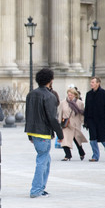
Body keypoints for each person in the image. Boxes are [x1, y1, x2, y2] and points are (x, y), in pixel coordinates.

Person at [25, 68, 64, 198]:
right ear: (50, 80)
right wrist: (60, 135)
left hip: (34, 132)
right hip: (43, 133)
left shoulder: (31, 94)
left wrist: (30, 134)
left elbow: (28, 115)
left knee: (46, 159)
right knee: (42, 160)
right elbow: (52, 118)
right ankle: (36, 190)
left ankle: (41, 188)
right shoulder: (49, 96)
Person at [84, 77, 105, 162]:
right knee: (92, 138)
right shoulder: (88, 94)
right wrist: (85, 121)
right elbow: (87, 108)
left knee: (103, 138)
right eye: (91, 82)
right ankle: (95, 156)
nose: (91, 84)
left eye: (93, 82)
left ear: (98, 83)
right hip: (91, 119)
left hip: (102, 120)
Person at [58, 87, 88, 161]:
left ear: (75, 95)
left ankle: (81, 152)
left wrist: (84, 122)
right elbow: (60, 113)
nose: (70, 96)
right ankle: (67, 155)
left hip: (75, 124)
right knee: (65, 139)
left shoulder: (79, 103)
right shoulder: (63, 102)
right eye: (68, 95)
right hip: (66, 124)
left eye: (71, 95)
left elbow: (81, 114)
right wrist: (59, 123)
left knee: (77, 139)